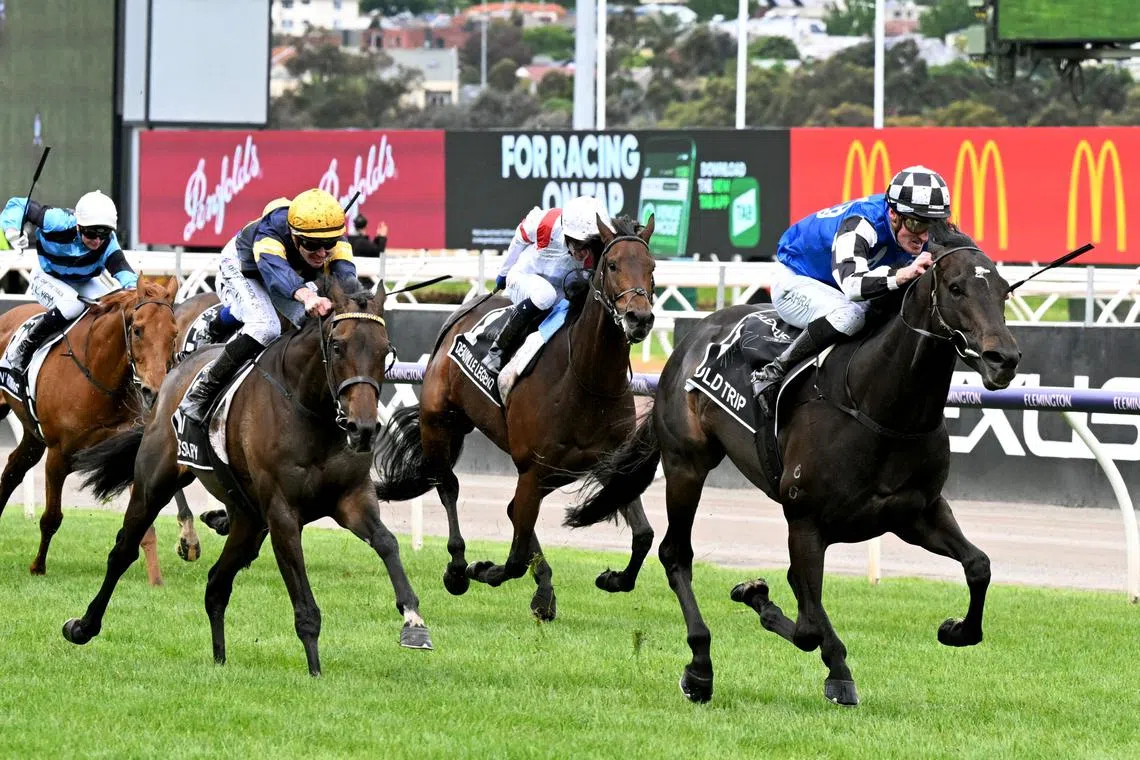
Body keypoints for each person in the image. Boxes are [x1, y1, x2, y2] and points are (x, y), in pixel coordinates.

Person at [750, 165, 951, 417]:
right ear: (893, 214)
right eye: (916, 224)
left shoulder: (913, 225)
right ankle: (773, 371)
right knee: (851, 315)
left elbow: (962, 250)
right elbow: (853, 286)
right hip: (795, 279)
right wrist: (902, 274)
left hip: (835, 284)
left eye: (932, 225)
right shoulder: (862, 223)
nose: (923, 235)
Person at [175, 188, 359, 425]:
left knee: (320, 324)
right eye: (313, 244)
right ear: (294, 236)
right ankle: (202, 391)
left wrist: (356, 302)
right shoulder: (271, 232)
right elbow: (275, 274)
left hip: (288, 272)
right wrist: (306, 296)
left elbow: (346, 278)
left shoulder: (334, 237)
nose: (322, 253)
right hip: (245, 266)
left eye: (329, 244)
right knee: (265, 326)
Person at [1, 190, 138, 374]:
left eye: (104, 233)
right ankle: (25, 348)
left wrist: (137, 291)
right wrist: (11, 229)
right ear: (79, 226)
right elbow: (18, 205)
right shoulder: (57, 221)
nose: (97, 240)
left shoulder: (108, 243)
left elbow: (123, 270)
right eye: (91, 233)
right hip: (47, 277)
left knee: (111, 306)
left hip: (83, 281)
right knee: (71, 306)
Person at [481, 195, 612, 374]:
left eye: (590, 246)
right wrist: (503, 273)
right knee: (545, 295)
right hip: (523, 278)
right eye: (581, 245)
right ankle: (497, 352)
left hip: (559, 291)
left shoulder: (595, 248)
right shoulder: (547, 223)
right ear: (567, 233)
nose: (585, 254)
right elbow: (520, 237)